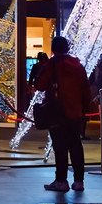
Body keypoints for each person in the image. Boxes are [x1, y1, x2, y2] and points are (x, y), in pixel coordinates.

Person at [36, 35, 91, 193]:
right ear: (67, 48)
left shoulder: (51, 65)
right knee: (76, 146)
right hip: (76, 112)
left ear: (53, 49)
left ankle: (61, 181)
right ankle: (79, 181)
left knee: (59, 147)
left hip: (57, 112)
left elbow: (39, 85)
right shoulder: (77, 65)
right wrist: (84, 109)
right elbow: (85, 89)